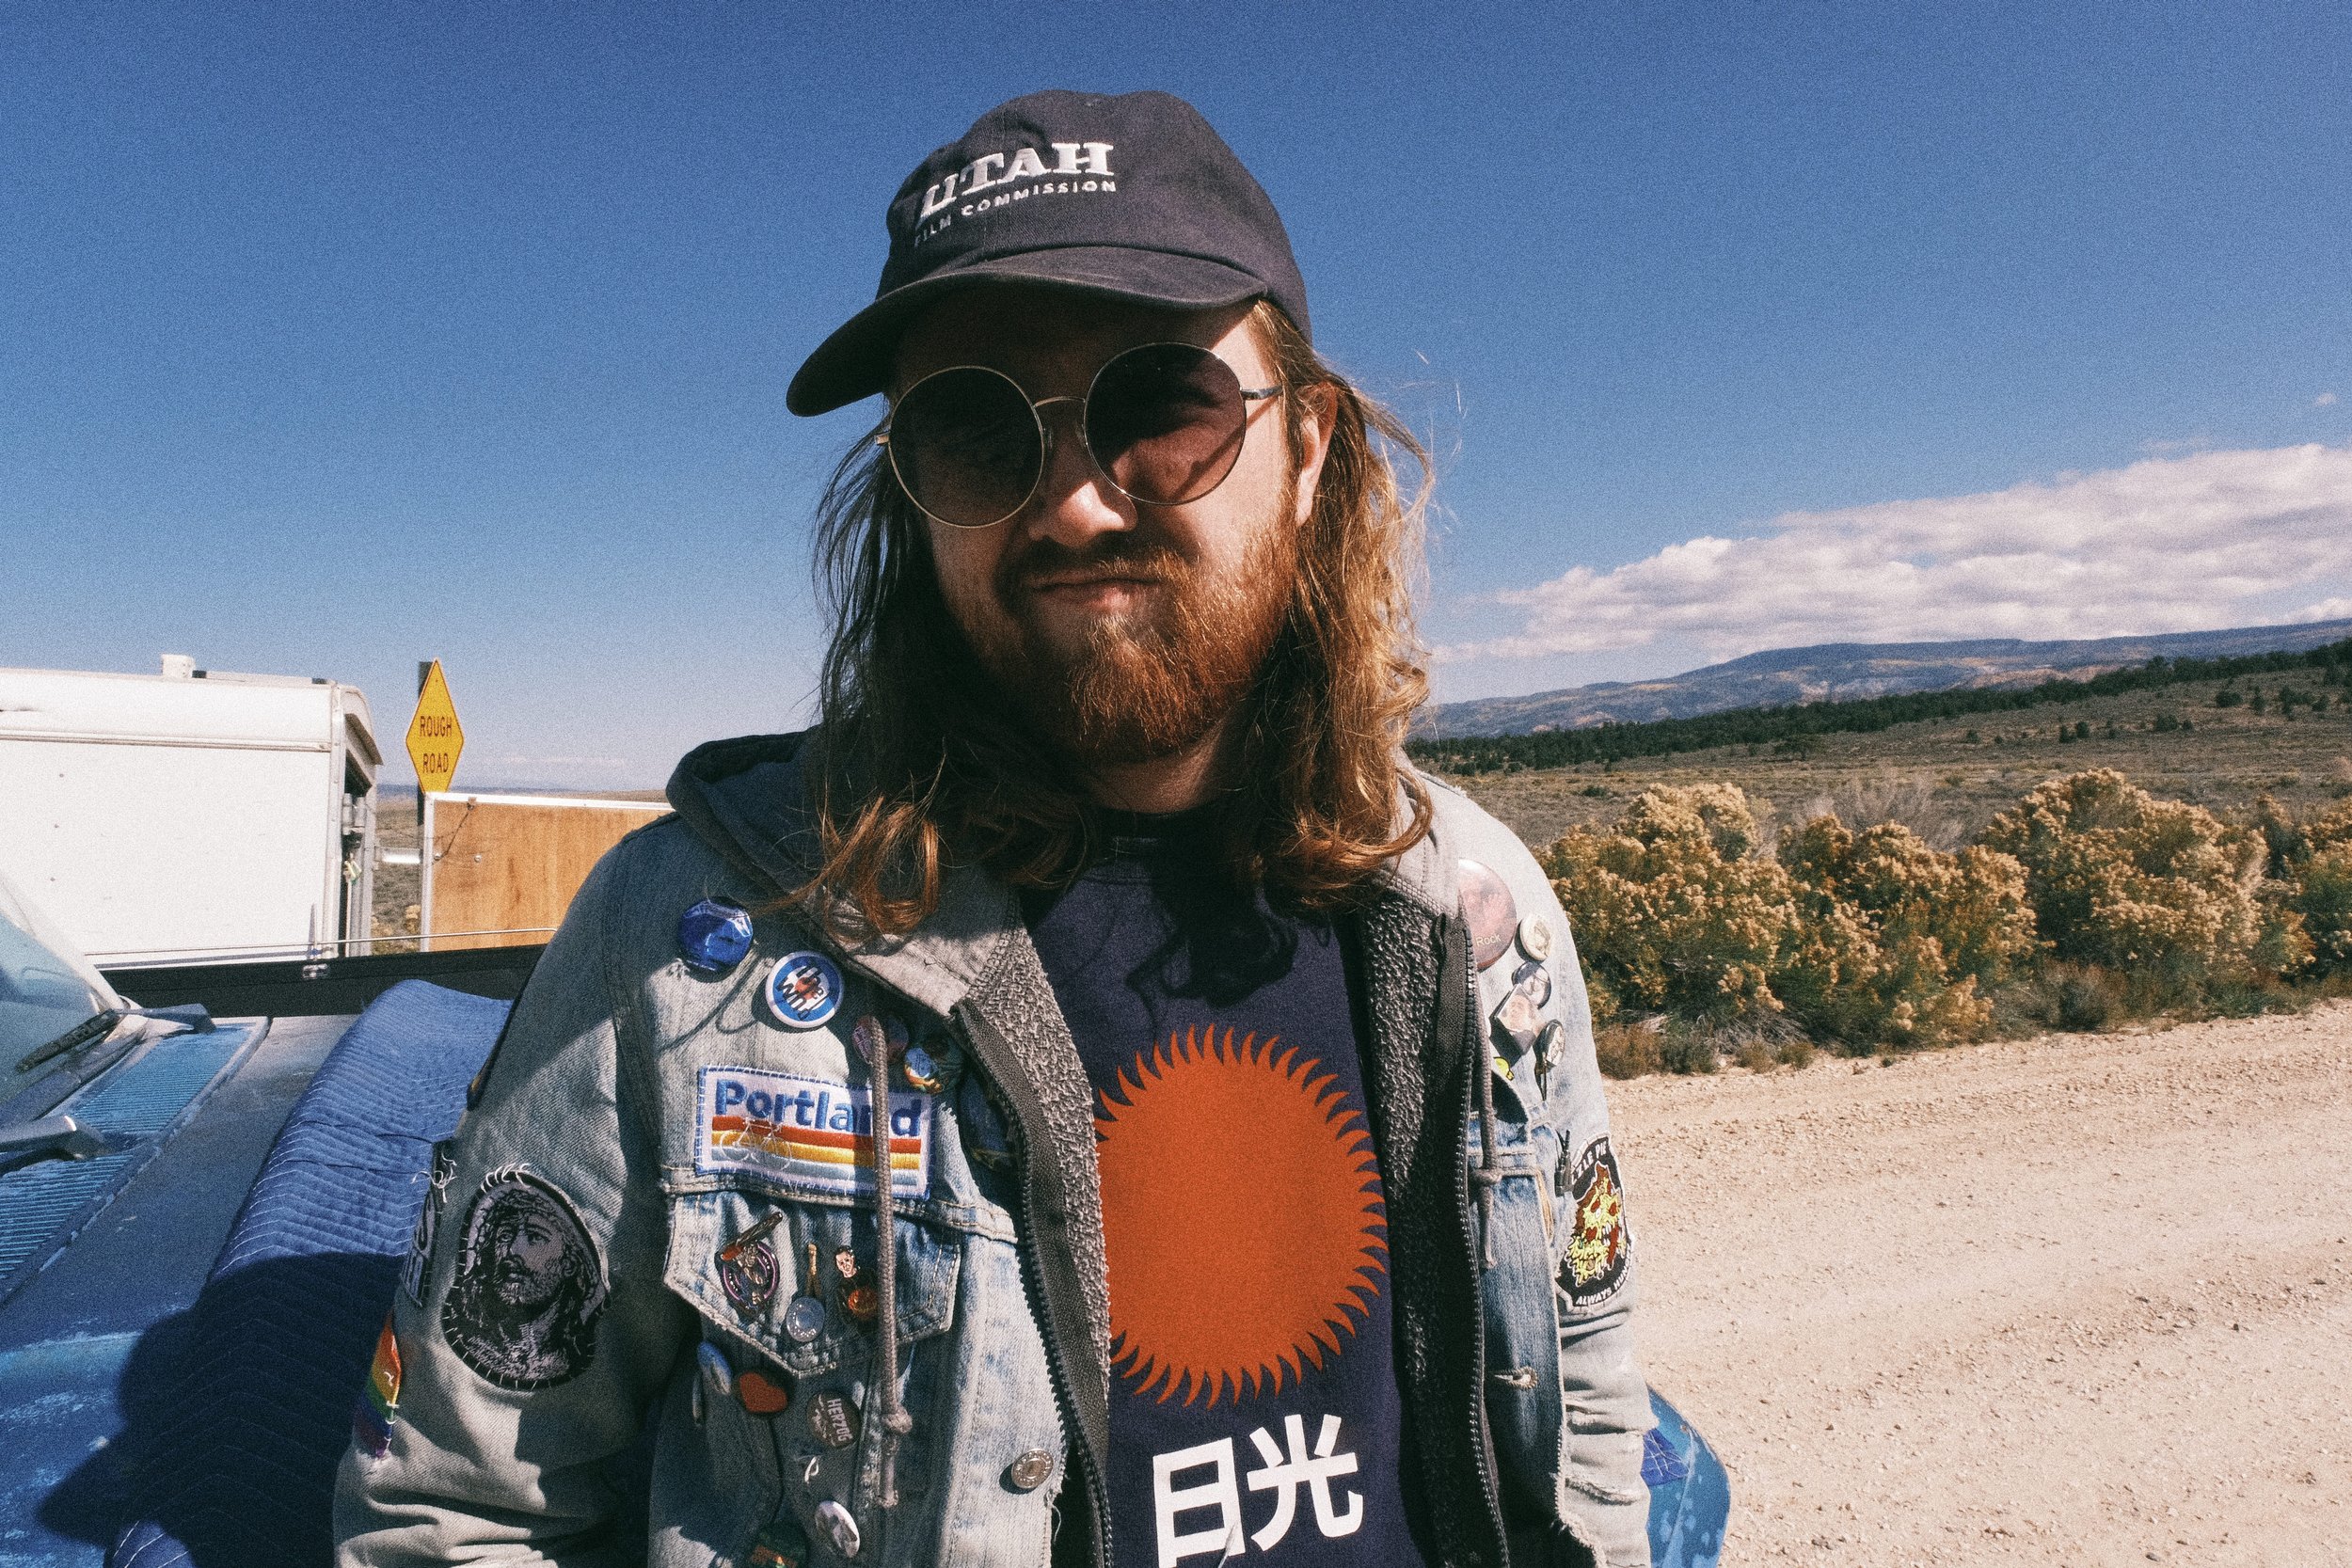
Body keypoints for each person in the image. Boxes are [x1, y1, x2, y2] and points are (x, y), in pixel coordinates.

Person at [335, 88, 1654, 1568]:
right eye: (972, 431)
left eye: (1162, 407)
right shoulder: (689, 948)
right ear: (912, 498)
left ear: (1310, 455)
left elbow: (1589, 1417)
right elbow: (458, 1511)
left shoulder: (1478, 914)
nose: (1078, 502)